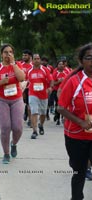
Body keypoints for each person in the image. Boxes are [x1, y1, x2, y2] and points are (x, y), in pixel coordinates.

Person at [57, 43, 92, 200]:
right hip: (76, 136)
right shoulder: (73, 81)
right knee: (79, 172)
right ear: (81, 61)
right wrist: (81, 122)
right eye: (89, 57)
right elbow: (61, 108)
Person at [0, 44, 25, 164]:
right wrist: (1, 82)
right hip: (2, 100)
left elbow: (22, 78)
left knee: (18, 127)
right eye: (5, 52)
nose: (8, 54)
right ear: (1, 55)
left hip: (16, 99)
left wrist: (13, 64)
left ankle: (13, 144)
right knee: (5, 127)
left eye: (10, 52)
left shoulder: (17, 65)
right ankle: (6, 153)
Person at [26, 54, 53, 139]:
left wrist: (50, 88)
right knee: (34, 112)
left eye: (38, 59)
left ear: (40, 60)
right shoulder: (29, 71)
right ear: (32, 60)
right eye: (35, 59)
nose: (37, 60)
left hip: (43, 95)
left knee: (43, 114)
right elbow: (25, 81)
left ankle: (41, 124)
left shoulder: (45, 70)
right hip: (33, 94)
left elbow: (51, 80)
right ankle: (34, 131)